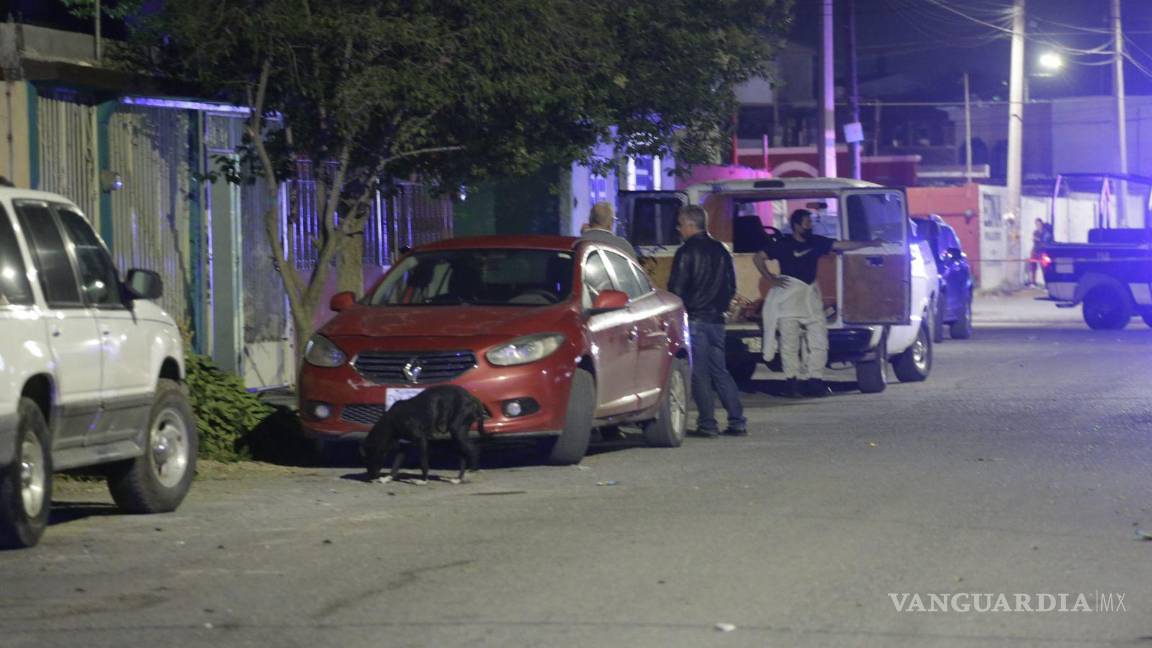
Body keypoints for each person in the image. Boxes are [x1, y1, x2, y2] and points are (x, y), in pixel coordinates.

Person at [754, 209, 883, 398]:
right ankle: (792, 382)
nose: (810, 225)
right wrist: (770, 278)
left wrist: (871, 243)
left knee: (819, 341)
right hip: (788, 300)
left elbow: (843, 245)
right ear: (796, 225)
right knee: (789, 344)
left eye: (810, 222)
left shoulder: (817, 242)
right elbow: (758, 257)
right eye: (807, 222)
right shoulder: (782, 244)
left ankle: (815, 380)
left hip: (810, 298)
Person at [667, 204, 747, 438]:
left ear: (691, 225)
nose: (678, 229)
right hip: (716, 321)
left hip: (695, 320)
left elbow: (677, 288)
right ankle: (737, 420)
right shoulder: (721, 250)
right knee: (720, 371)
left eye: (680, 225)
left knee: (700, 374)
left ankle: (708, 423)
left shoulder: (686, 252)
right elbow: (731, 286)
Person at [1027, 218, 1050, 286]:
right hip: (1036, 250)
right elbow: (1034, 241)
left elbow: (1045, 241)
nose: (1038, 225)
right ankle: (1033, 282)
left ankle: (1047, 283)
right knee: (1032, 264)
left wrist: (1038, 239)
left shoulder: (1046, 232)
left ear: (1041, 224)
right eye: (1036, 224)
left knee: (1044, 267)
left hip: (1042, 251)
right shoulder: (1035, 232)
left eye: (1039, 224)